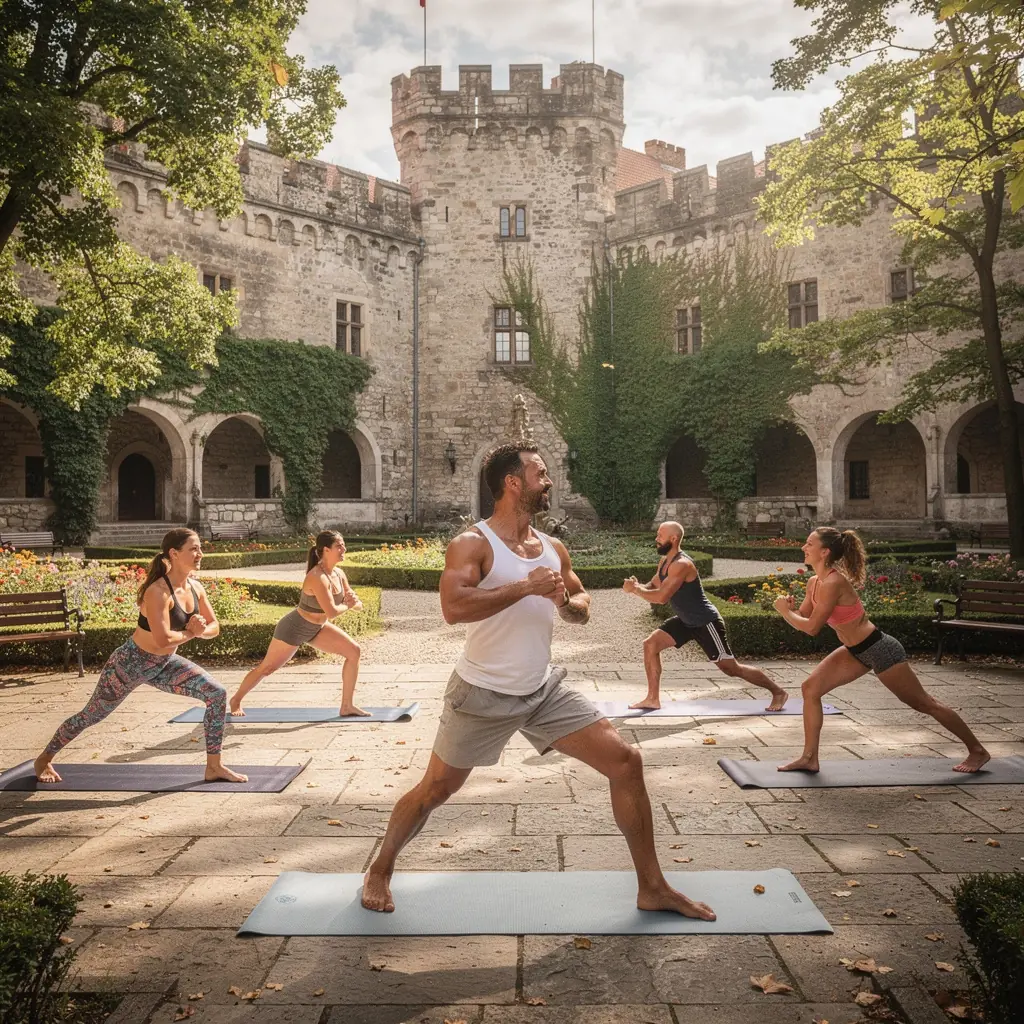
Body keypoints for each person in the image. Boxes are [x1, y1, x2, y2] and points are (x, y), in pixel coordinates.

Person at [360, 443, 716, 922]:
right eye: (540, 474)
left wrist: (566, 605)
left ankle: (652, 887)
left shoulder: (552, 547)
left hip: (543, 689)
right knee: (435, 790)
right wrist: (526, 586)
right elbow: (453, 608)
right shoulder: (473, 543)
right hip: (482, 691)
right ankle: (380, 869)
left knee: (626, 762)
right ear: (513, 482)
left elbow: (582, 603)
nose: (549, 481)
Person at [34, 529, 247, 784]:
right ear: (174, 554)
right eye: (193, 549)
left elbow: (215, 627)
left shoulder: (195, 588)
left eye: (200, 548)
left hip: (164, 663)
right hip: (130, 663)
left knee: (216, 693)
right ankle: (44, 758)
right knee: (91, 715)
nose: (200, 553)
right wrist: (192, 632)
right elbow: (163, 639)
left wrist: (200, 631)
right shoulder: (157, 592)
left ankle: (214, 766)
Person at [773, 527, 990, 774]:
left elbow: (811, 628)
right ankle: (809, 758)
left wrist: (784, 612)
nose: (803, 547)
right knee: (810, 688)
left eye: (809, 544)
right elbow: (804, 616)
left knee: (924, 704)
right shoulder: (814, 582)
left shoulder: (834, 582)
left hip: (880, 649)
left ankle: (977, 750)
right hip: (855, 650)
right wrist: (790, 609)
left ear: (824, 552)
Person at [623, 521, 789, 711]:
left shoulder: (682, 564)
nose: (656, 539)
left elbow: (661, 598)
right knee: (650, 644)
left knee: (731, 668)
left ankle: (778, 692)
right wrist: (638, 586)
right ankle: (652, 699)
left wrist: (635, 590)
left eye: (660, 535)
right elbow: (653, 585)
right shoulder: (665, 561)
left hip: (705, 622)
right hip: (686, 621)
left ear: (673, 538)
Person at [229, 530, 366, 717]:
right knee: (267, 668)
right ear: (326, 550)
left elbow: (355, 604)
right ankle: (236, 699)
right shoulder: (317, 577)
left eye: (343, 545)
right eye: (339, 546)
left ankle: (347, 706)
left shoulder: (339, 574)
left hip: (317, 628)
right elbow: (333, 612)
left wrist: (354, 602)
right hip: (294, 627)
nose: (344, 549)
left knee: (354, 651)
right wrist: (347, 605)